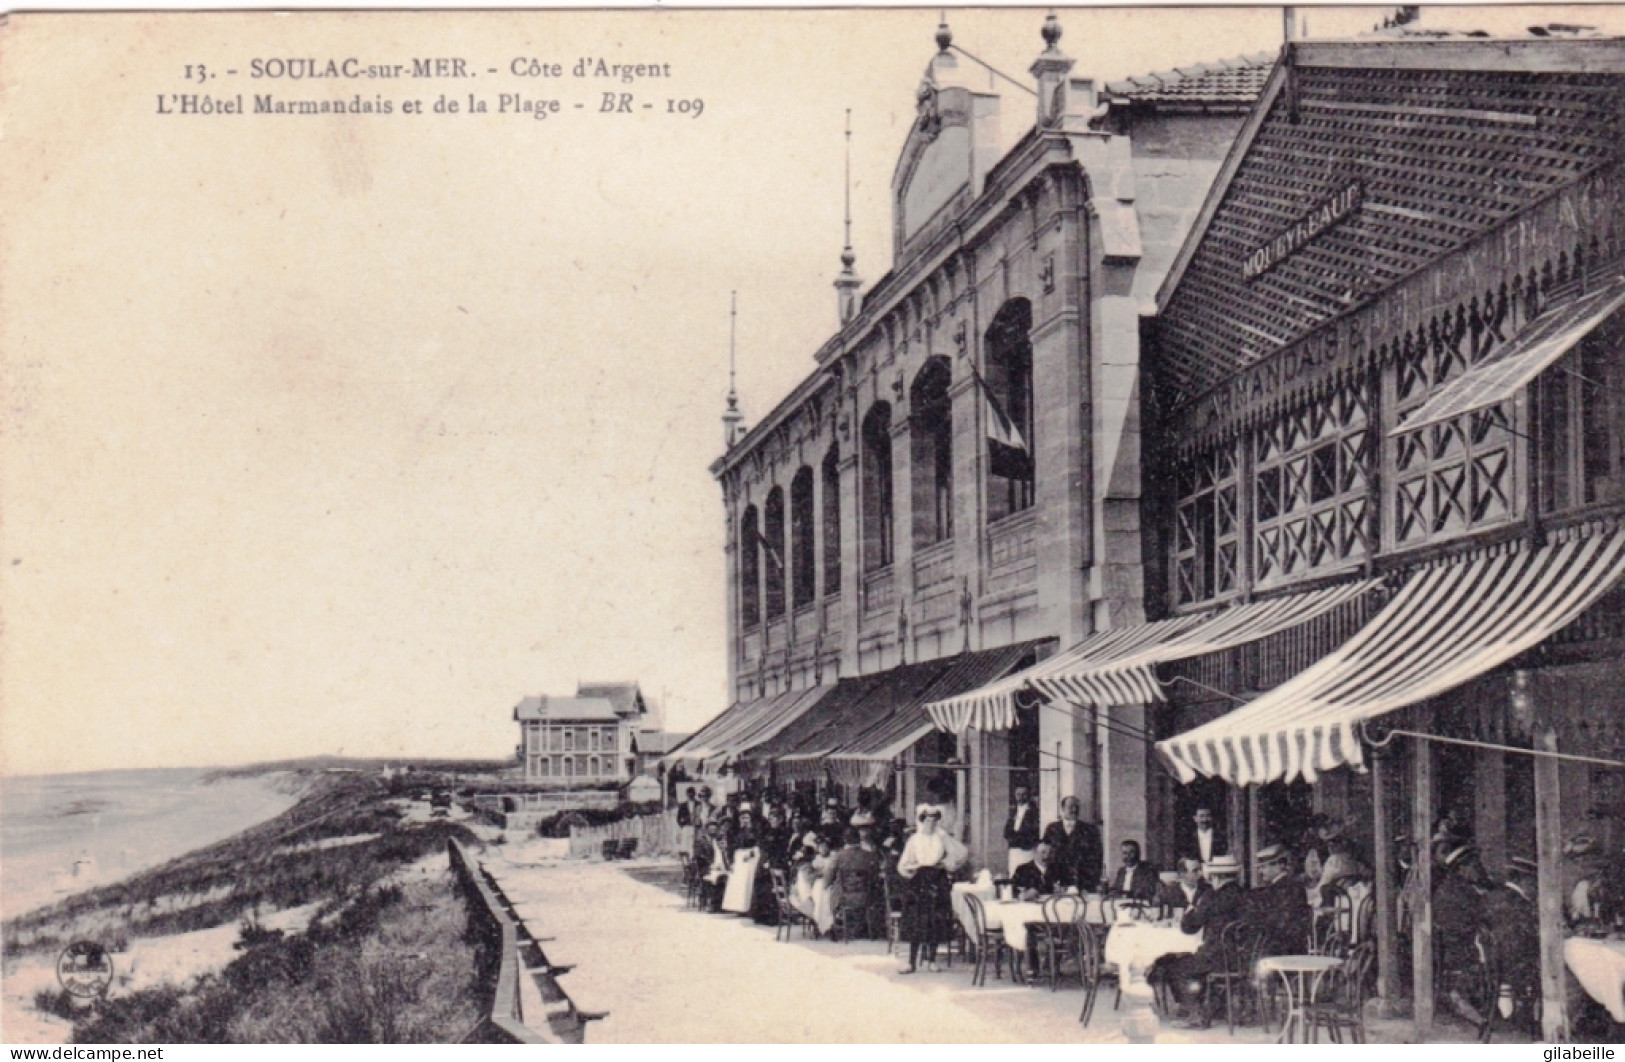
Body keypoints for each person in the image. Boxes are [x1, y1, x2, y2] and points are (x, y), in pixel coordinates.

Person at [1149, 854, 1248, 1023]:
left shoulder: (1211, 897)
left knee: (1176, 965)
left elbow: (1188, 927)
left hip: (1218, 957)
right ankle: (1214, 1006)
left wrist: (1194, 909)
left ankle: (1195, 1013)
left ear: (1216, 876)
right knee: (1190, 959)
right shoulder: (1244, 894)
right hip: (1241, 958)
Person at [897, 804, 967, 973]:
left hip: (937, 878)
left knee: (936, 919)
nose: (931, 823)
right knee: (916, 920)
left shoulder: (941, 838)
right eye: (927, 820)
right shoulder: (914, 840)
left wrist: (945, 863)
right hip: (919, 879)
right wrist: (912, 868)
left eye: (934, 820)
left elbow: (958, 854)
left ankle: (931, 959)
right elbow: (903, 864)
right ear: (922, 821)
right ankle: (911, 962)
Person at [1248, 843, 1313, 956]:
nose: (1260, 872)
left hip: (1283, 948)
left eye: (1264, 867)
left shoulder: (1288, 888)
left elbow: (1281, 923)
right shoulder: (1280, 887)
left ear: (1279, 866)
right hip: (1281, 945)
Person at [824, 827, 883, 938]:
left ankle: (830, 927)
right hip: (866, 897)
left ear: (845, 840)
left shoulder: (839, 856)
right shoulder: (870, 855)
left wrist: (827, 884)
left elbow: (827, 879)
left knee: (825, 893)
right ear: (859, 839)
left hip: (844, 898)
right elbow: (876, 876)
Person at [1041, 795, 1103, 893]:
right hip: (1056, 880)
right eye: (1071, 807)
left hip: (1082, 881)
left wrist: (1093, 881)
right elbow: (1043, 853)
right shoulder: (1051, 828)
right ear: (1062, 809)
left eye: (1077, 807)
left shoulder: (1090, 830)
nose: (1074, 809)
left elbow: (1097, 857)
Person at [1003, 783, 1041, 875]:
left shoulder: (1034, 812)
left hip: (1027, 851)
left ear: (1028, 795)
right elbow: (1007, 832)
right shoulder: (1013, 811)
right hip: (1014, 850)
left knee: (1026, 874)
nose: (1021, 797)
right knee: (1013, 874)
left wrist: (1018, 838)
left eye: (1024, 794)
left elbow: (1032, 833)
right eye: (1018, 795)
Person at [696, 821, 730, 912]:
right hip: (707, 868)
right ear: (707, 828)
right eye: (710, 826)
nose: (713, 828)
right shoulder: (702, 841)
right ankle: (714, 905)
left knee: (727, 877)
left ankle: (724, 904)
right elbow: (700, 856)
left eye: (714, 826)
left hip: (720, 867)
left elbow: (724, 855)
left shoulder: (719, 840)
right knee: (718, 877)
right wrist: (711, 865)